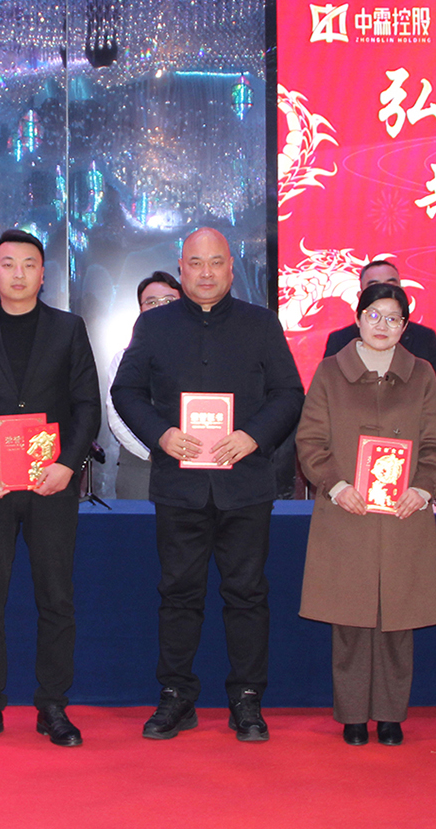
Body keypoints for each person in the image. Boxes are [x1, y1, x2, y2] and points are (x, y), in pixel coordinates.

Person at [112, 227, 304, 743]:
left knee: (247, 595)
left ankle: (247, 699)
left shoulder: (260, 324)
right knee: (178, 594)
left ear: (231, 268)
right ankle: (176, 695)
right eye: (195, 263)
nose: (205, 272)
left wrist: (253, 435)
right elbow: (126, 390)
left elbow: (289, 393)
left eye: (216, 262)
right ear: (181, 268)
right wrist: (161, 434)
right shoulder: (154, 325)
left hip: (246, 486)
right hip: (180, 486)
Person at [0, 230, 100, 748]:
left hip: (52, 485)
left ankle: (53, 705)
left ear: (43, 274)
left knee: (56, 597)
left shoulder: (69, 329)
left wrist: (69, 464)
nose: (18, 273)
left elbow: (87, 406)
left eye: (29, 264)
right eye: (8, 264)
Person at [297, 282, 436, 747]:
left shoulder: (421, 373)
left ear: (405, 326)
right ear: (358, 318)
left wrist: (422, 488)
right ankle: (351, 716)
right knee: (349, 620)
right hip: (348, 511)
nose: (383, 325)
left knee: (397, 621)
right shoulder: (330, 371)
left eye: (393, 318)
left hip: (404, 514)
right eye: (374, 315)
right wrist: (336, 486)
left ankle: (389, 714)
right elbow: (310, 441)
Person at [107, 271, 182, 499]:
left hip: (194, 466)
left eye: (169, 301)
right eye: (151, 302)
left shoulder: (203, 353)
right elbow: (116, 417)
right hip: (140, 466)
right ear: (140, 309)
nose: (160, 308)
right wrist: (154, 452)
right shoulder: (123, 359)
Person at [322, 258, 436, 390]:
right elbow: (327, 392)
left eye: (390, 285)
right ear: (360, 295)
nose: (383, 293)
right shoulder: (340, 341)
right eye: (374, 286)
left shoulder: (424, 338)